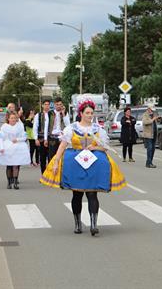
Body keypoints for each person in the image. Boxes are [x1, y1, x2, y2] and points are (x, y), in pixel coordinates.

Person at [40, 99, 126, 236]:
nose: (90, 115)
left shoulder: (98, 129)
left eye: (91, 113)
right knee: (77, 194)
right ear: (81, 113)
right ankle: (78, 223)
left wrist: (94, 147)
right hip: (75, 163)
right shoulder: (72, 128)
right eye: (87, 113)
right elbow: (62, 146)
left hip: (93, 163)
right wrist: (56, 161)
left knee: (92, 193)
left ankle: (93, 224)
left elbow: (105, 148)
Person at [0, 111, 30, 189]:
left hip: (18, 147)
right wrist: (1, 147)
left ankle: (15, 182)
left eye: (14, 118)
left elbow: (24, 137)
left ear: (16, 119)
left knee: (16, 165)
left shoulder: (20, 126)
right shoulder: (4, 126)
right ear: (8, 119)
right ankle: (9, 182)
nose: (13, 119)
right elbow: (0, 138)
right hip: (7, 147)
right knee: (9, 166)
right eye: (11, 118)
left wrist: (17, 139)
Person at [33, 99, 51, 173]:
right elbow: (35, 127)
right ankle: (43, 174)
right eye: (45, 104)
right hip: (41, 138)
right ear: (42, 105)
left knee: (50, 157)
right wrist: (36, 138)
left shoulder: (52, 114)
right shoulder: (38, 115)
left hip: (50, 139)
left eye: (48, 104)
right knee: (42, 157)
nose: (47, 106)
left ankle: (50, 174)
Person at [142, 104, 159, 168]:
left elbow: (156, 122)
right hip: (148, 134)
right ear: (148, 109)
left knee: (153, 149)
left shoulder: (153, 114)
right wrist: (153, 119)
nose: (152, 111)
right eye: (151, 110)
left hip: (154, 133)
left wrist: (158, 119)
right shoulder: (145, 114)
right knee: (150, 148)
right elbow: (145, 122)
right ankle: (149, 163)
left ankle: (149, 162)